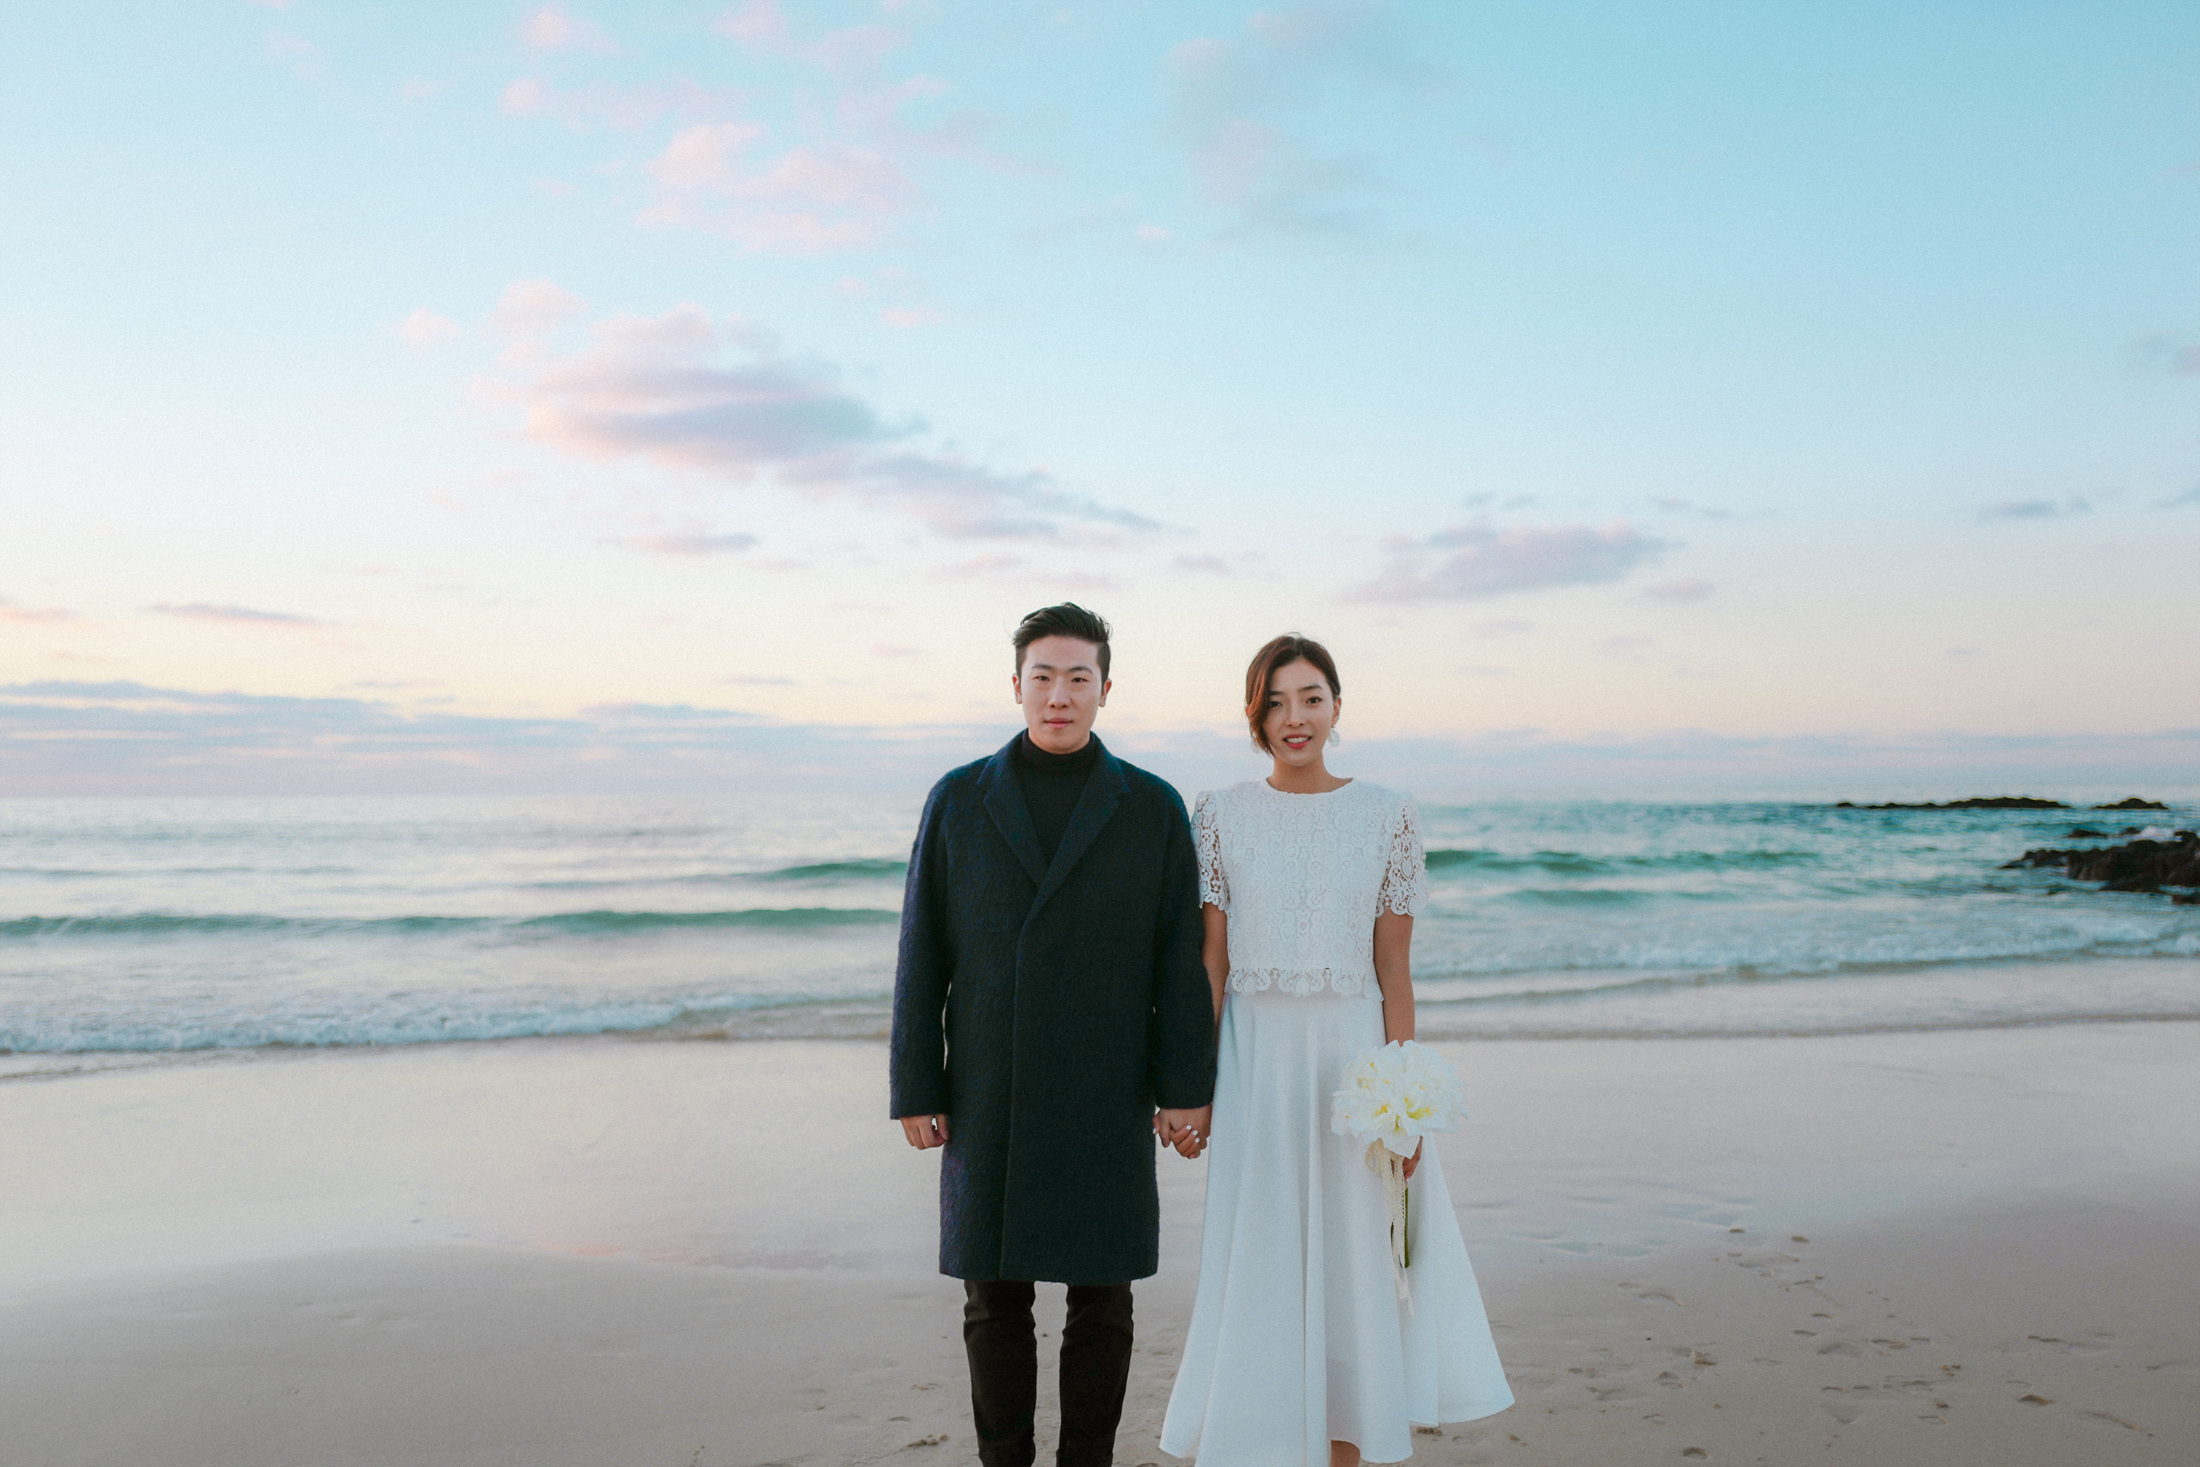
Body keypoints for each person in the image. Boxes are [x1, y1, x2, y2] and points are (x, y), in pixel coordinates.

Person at [1159, 634, 1513, 1467]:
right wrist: (1194, 1085)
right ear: (1255, 716)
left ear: (1337, 706)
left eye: (1311, 698)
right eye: (1277, 702)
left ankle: (1348, 1448)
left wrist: (1404, 1104)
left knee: (1356, 1265)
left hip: (1354, 1073)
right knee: (1262, 1257)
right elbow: (1211, 964)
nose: (1296, 717)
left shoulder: (1388, 813)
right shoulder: (1219, 813)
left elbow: (1395, 974)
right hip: (1255, 1065)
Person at [890, 602, 1216, 1467]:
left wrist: (1186, 1085)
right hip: (989, 1083)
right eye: (1043, 676)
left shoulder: (1150, 806)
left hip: (1108, 1084)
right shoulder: (960, 798)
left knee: (1102, 1298)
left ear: (1106, 688)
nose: (1059, 695)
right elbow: (922, 951)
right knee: (992, 1298)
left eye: (1078, 677)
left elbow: (1179, 959)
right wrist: (917, 1084)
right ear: (1016, 685)